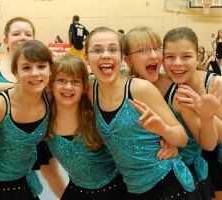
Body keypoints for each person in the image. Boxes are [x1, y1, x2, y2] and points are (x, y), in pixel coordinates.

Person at [84, 26, 201, 200]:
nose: (106, 55)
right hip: (133, 190)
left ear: (122, 57)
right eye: (98, 50)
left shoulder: (140, 88)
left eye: (113, 49)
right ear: (86, 57)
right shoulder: (90, 91)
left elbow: (182, 138)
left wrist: (163, 129)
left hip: (170, 186)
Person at [123, 26, 220, 200]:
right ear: (128, 59)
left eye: (156, 49)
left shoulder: (180, 92)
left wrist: (206, 117)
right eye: (143, 50)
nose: (152, 55)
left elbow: (208, 143)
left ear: (197, 57)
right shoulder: (125, 86)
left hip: (182, 178)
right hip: (141, 182)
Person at [0, 40, 65, 200]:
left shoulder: (51, 99)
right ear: (15, 72)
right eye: (26, 68)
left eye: (41, 66)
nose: (35, 73)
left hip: (22, 185)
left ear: (50, 70)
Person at [46, 54, 129, 200]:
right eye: (61, 81)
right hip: (78, 191)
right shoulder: (44, 116)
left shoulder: (96, 111)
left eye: (75, 82)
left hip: (116, 188)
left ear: (84, 87)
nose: (68, 87)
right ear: (50, 84)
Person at [163, 27, 222, 200]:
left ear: (198, 57)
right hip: (176, 165)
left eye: (186, 56)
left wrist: (202, 110)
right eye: (170, 57)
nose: (177, 63)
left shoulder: (214, 83)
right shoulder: (162, 83)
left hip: (212, 159)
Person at [0, 17, 35, 92]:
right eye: (16, 34)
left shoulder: (43, 69)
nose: (23, 37)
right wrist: (18, 86)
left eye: (28, 34)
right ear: (6, 41)